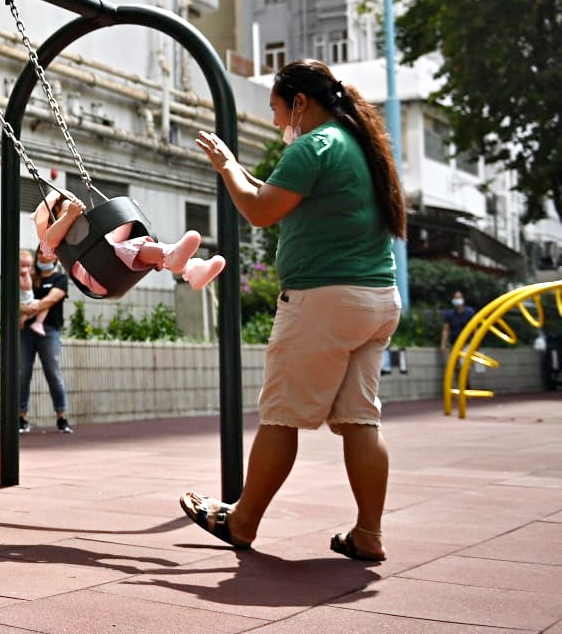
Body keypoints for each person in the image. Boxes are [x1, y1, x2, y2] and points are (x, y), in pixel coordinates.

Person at [179, 59, 405, 563]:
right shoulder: (360, 146)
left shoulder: (315, 145)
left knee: (280, 417)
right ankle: (369, 533)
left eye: (279, 111)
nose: (280, 123)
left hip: (324, 301)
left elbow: (260, 210)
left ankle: (242, 522)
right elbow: (278, 199)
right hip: (376, 300)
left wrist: (227, 166)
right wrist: (239, 171)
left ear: (300, 102)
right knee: (360, 420)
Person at [34, 190, 226, 295]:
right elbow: (51, 239)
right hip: (95, 276)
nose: (74, 217)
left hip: (112, 262)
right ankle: (170, 255)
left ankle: (192, 269)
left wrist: (126, 213)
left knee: (130, 243)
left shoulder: (92, 238)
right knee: (120, 246)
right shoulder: (52, 243)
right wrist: (69, 216)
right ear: (52, 221)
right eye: (65, 214)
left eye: (76, 213)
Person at [16, 248, 73, 434]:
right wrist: (26, 310)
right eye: (40, 252)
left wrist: (31, 308)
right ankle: (21, 416)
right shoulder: (28, 276)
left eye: (48, 253)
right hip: (25, 331)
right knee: (23, 373)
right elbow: (17, 300)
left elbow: (51, 300)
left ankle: (61, 417)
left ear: (56, 256)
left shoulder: (60, 279)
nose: (43, 256)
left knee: (53, 373)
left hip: (49, 331)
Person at [18, 259, 49, 337]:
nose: (25, 269)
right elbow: (26, 286)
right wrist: (27, 275)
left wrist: (27, 275)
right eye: (22, 266)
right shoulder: (20, 276)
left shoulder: (27, 275)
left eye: (28, 266)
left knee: (43, 307)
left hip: (29, 301)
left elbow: (28, 286)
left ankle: (38, 323)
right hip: (22, 303)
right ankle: (25, 317)